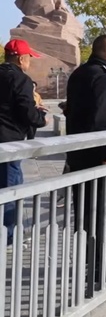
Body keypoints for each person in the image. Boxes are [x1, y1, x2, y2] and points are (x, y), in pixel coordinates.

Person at [64, 34, 106, 294]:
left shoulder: (79, 73)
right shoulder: (105, 77)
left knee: (85, 213)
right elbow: (103, 120)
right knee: (100, 213)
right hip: (98, 157)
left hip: (78, 155)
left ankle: (87, 262)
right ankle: (97, 268)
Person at [0, 39, 48, 243]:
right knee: (11, 189)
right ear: (21, 58)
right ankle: (8, 237)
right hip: (10, 142)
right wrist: (41, 118)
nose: (30, 61)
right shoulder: (20, 79)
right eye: (29, 57)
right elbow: (26, 112)